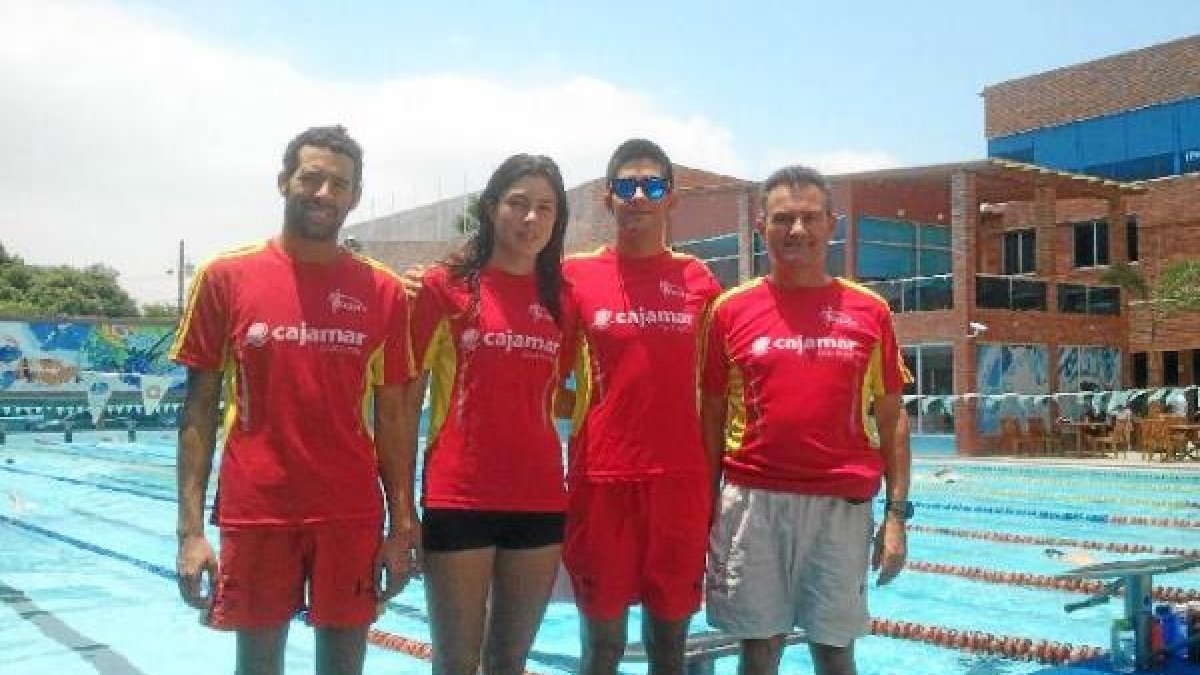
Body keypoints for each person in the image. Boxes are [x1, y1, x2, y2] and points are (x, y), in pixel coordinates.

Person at [171, 125, 418, 675]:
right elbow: (198, 411)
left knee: (343, 665)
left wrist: (403, 526)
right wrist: (190, 532)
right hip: (258, 506)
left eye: (340, 184)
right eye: (312, 178)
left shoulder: (381, 291)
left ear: (355, 197)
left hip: (349, 509)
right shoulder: (225, 276)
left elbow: (397, 416)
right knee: (257, 666)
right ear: (284, 182)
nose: (324, 193)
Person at [700, 165, 912, 675]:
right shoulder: (729, 310)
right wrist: (703, 509)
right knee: (758, 650)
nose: (797, 230)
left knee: (836, 652)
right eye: (784, 218)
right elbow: (708, 418)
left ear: (831, 224)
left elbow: (892, 417)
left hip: (840, 506)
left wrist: (897, 518)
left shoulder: (869, 311)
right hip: (753, 502)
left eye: (810, 217)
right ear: (761, 228)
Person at [562, 139, 724, 675]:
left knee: (668, 648)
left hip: (680, 484)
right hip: (602, 480)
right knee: (602, 648)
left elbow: (719, 390)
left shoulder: (700, 281)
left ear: (670, 199)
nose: (638, 195)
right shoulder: (576, 276)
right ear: (608, 198)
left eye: (651, 185)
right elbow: (542, 369)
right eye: (626, 186)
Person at [407, 154, 574, 675]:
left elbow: (556, 394)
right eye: (518, 204)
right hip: (460, 495)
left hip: (540, 497)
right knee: (457, 660)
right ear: (491, 207)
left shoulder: (565, 299)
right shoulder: (443, 286)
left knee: (510, 660)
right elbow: (404, 399)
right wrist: (398, 509)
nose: (531, 219)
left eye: (544, 208)